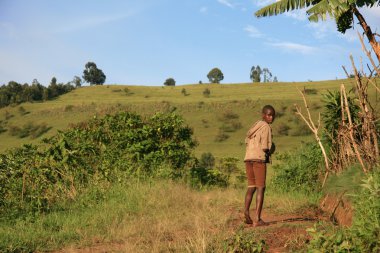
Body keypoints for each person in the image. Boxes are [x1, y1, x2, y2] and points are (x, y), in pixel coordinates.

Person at [243, 105, 275, 227]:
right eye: (268, 114)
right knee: (261, 187)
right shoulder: (266, 127)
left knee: (251, 186)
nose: (271, 117)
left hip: (248, 158)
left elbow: (246, 141)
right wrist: (270, 152)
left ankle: (246, 211)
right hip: (258, 159)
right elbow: (265, 147)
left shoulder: (254, 126)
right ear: (263, 115)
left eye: (272, 115)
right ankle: (257, 218)